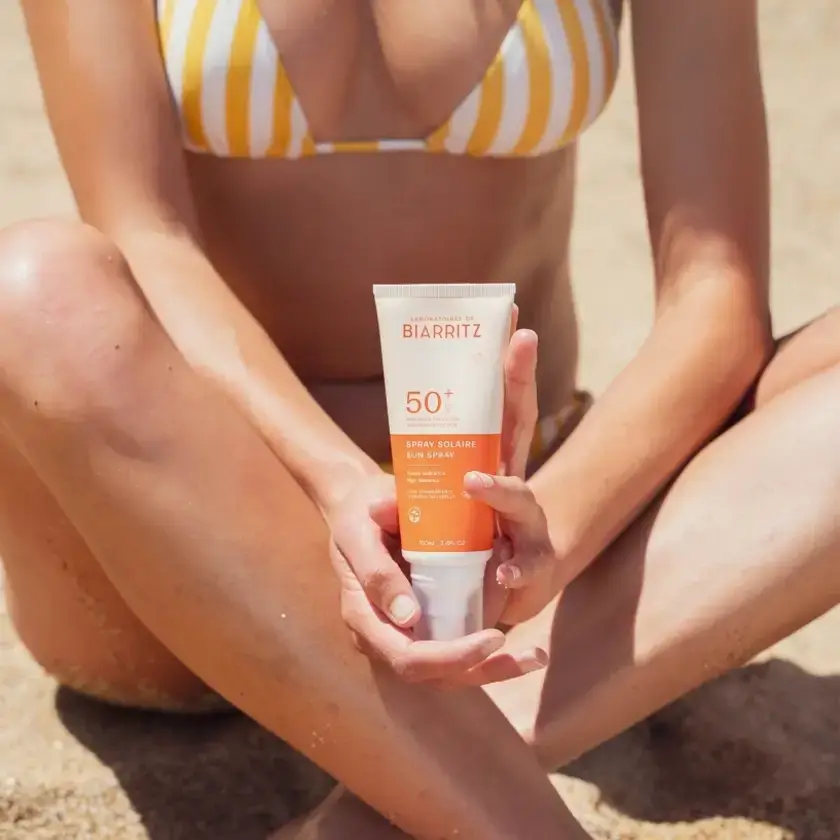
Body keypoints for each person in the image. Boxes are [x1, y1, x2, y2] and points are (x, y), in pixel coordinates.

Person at [2, 0, 839, 838]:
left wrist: (543, 541)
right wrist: (338, 484)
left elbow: (712, 292)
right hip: (196, 529)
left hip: (523, 520)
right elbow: (144, 234)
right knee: (36, 291)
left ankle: (417, 787)